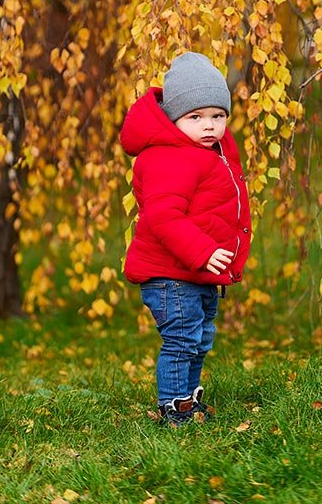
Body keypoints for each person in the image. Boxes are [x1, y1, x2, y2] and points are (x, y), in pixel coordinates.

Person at [121, 52, 252, 426]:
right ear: (174, 118)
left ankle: (189, 399)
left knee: (199, 338)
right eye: (195, 117)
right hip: (171, 276)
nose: (209, 125)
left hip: (196, 272)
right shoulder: (169, 157)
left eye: (217, 116)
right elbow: (163, 217)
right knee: (181, 340)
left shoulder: (211, 152)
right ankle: (174, 408)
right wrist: (204, 250)